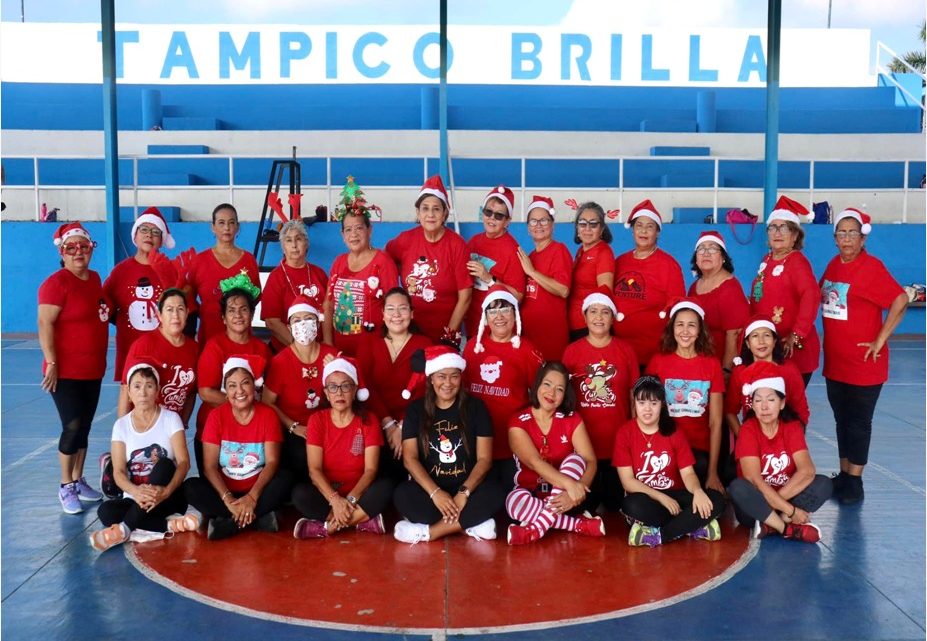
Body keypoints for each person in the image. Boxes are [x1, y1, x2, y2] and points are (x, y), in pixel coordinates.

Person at [820, 208, 907, 504]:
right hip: (836, 362)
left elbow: (900, 299)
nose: (846, 238)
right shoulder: (833, 265)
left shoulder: (871, 267)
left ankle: (855, 480)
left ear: (862, 237)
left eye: (852, 232)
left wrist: (880, 339)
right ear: (834, 239)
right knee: (841, 419)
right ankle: (844, 474)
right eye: (841, 232)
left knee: (858, 421)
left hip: (863, 365)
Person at [393, 346, 505, 543]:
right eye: (441, 376)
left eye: (454, 376)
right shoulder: (415, 410)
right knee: (402, 495)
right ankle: (469, 526)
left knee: (495, 492)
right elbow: (410, 459)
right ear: (431, 379)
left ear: (461, 378)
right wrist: (436, 494)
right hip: (432, 490)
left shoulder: (476, 407)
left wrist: (464, 493)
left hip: (469, 488)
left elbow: (485, 460)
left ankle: (429, 533)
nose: (448, 383)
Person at [38, 222, 109, 513]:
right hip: (64, 372)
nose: (78, 252)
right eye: (72, 248)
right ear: (63, 253)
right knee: (72, 426)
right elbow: (45, 324)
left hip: (92, 369)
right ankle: (66, 485)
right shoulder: (56, 284)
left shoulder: (94, 279)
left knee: (85, 428)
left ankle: (79, 480)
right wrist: (51, 361)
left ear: (91, 250)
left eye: (84, 247)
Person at [183, 355, 292, 540]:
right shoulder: (216, 417)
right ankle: (256, 519)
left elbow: (272, 462)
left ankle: (228, 524)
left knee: (286, 478)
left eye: (245, 383)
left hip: (258, 490)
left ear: (254, 386)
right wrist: (228, 500)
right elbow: (209, 467)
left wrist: (252, 497)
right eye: (232, 385)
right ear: (226, 391)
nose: (239, 391)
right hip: (226, 492)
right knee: (190, 487)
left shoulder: (268, 415)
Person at [90, 361, 193, 552]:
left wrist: (167, 491)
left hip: (167, 497)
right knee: (105, 512)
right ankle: (167, 526)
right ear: (129, 392)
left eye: (149, 386)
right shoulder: (121, 426)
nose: (143, 392)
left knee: (164, 465)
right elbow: (119, 472)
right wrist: (135, 492)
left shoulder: (171, 419)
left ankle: (125, 528)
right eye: (137, 386)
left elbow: (184, 463)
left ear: (158, 390)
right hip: (134, 499)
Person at [614, 376, 725, 547]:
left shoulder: (673, 430)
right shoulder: (625, 433)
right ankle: (690, 525)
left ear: (662, 404)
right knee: (631, 505)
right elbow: (628, 482)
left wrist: (697, 491)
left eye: (654, 403)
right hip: (649, 497)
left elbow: (688, 473)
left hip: (677, 494)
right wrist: (662, 498)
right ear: (634, 403)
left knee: (716, 500)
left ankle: (660, 535)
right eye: (642, 402)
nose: (647, 409)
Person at [728, 361, 832, 543]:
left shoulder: (792, 427)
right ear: (752, 405)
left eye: (771, 400)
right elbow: (754, 480)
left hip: (777, 501)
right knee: (739, 487)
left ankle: (770, 524)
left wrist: (777, 503)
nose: (764, 407)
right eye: (758, 401)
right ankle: (787, 527)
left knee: (824, 484)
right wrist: (790, 511)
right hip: (755, 506)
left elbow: (807, 471)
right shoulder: (748, 430)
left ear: (782, 403)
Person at [505, 362, 605, 545]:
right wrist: (570, 484)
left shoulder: (572, 419)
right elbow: (535, 462)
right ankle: (577, 525)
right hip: (531, 494)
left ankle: (533, 530)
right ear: (537, 385)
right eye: (547, 384)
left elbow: (591, 461)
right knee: (513, 502)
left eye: (559, 389)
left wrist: (577, 490)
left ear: (565, 395)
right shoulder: (518, 421)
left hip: (566, 497)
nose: (551, 393)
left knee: (576, 459)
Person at [292, 357, 393, 538]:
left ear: (354, 391)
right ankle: (360, 520)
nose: (339, 393)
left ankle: (327, 527)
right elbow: (314, 470)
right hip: (328, 493)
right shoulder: (317, 420)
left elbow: (370, 470)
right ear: (326, 393)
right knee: (300, 494)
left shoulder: (369, 420)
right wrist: (335, 500)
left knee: (386, 487)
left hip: (359, 493)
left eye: (345, 386)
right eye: (333, 387)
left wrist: (350, 500)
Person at [561, 287, 638, 512]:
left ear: (613, 318)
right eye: (593, 311)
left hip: (618, 445)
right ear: (584, 317)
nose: (598, 317)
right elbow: (564, 398)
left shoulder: (626, 350)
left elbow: (634, 397)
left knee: (616, 507)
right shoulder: (572, 351)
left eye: (605, 312)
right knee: (585, 507)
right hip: (584, 447)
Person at [462, 286, 543, 490]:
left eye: (505, 309)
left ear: (515, 315)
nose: (499, 316)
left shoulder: (527, 349)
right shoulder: (473, 346)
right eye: (493, 311)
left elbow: (541, 396)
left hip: (512, 445)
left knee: (511, 497)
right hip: (476, 443)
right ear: (485, 318)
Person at [645, 299, 727, 493]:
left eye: (692, 325)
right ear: (672, 328)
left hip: (698, 451)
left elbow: (715, 421)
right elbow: (645, 412)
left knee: (699, 477)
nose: (685, 331)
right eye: (680, 324)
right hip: (664, 447)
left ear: (700, 330)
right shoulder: (658, 362)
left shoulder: (711, 364)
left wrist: (712, 472)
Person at [194, 274, 272, 473]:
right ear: (223, 318)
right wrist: (241, 408)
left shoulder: (262, 350)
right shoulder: (214, 347)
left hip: (252, 434)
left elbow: (267, 393)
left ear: (252, 314)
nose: (238, 315)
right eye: (231, 311)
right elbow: (205, 392)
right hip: (216, 431)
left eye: (244, 309)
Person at [385, 175, 471, 345]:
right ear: (418, 212)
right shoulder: (405, 240)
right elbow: (384, 261)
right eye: (425, 208)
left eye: (436, 209)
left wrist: (449, 337)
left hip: (445, 334)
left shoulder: (457, 245)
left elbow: (465, 296)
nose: (430, 214)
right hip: (409, 334)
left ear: (445, 212)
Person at [358, 287, 432, 481]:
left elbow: (424, 390)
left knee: (408, 457)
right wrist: (388, 423)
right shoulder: (370, 343)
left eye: (403, 308)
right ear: (382, 315)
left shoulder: (424, 344)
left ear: (412, 313)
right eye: (390, 309)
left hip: (413, 419)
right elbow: (366, 386)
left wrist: (402, 426)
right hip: (376, 419)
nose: (396, 315)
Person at [263, 296, 339, 482]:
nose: (303, 325)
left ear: (317, 324)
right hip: (295, 429)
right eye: (297, 321)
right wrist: (292, 426)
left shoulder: (331, 355)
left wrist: (336, 371)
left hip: (329, 426)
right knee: (299, 455)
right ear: (289, 328)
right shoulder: (280, 362)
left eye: (308, 319)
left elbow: (347, 394)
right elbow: (267, 402)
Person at [323, 179, 399, 356]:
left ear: (369, 230)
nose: (354, 234)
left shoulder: (383, 261)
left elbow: (394, 307)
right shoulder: (338, 262)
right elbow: (329, 305)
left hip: (374, 351)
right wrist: (328, 343)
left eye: (359, 228)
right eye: (348, 230)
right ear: (342, 235)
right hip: (340, 351)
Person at [749, 196, 820, 385]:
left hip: (792, 350)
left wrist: (796, 334)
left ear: (795, 235)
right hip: (769, 348)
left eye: (784, 228)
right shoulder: (767, 260)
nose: (777, 233)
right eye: (773, 227)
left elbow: (811, 295)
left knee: (787, 408)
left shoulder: (797, 262)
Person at [102, 207, 178, 381]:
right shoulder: (120, 272)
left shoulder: (171, 270)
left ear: (162, 240)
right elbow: (106, 307)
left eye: (155, 232)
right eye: (144, 229)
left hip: (163, 352)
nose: (149, 235)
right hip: (131, 352)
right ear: (135, 236)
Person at [613, 200, 685, 369]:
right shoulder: (620, 261)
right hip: (620, 352)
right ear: (632, 230)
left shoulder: (669, 265)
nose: (644, 231)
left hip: (655, 355)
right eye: (639, 225)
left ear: (657, 232)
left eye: (650, 226)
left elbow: (677, 310)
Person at [120, 289, 198, 428]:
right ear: (159, 315)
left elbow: (191, 393)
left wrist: (182, 424)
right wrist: (123, 431)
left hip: (172, 429)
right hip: (143, 426)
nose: (175, 315)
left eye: (180, 309)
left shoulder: (194, 349)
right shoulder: (143, 345)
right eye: (169, 309)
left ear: (187, 313)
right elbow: (126, 389)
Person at [186, 203, 260, 345]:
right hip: (209, 336)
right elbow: (188, 297)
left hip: (242, 339)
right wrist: (204, 311)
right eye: (221, 223)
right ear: (212, 227)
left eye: (231, 222)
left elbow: (255, 297)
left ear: (237, 227)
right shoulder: (199, 261)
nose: (227, 228)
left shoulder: (249, 260)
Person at [725, 316, 810, 439]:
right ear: (747, 343)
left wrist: (792, 442)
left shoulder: (789, 370)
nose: (761, 341)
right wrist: (744, 438)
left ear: (775, 341)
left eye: (767, 335)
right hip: (753, 439)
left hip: (784, 440)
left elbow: (801, 411)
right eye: (755, 336)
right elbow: (730, 411)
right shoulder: (740, 372)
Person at [464, 185, 526, 340]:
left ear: (507, 221)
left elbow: (518, 296)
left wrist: (489, 279)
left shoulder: (513, 250)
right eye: (488, 212)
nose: (492, 218)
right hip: (472, 323)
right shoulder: (473, 242)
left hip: (496, 329)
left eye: (498, 216)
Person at [517, 195, 572, 361]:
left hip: (552, 338)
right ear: (528, 227)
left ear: (552, 225)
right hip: (530, 337)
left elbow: (563, 290)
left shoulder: (559, 250)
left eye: (544, 220)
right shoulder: (531, 256)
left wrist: (532, 272)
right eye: (533, 221)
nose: (538, 225)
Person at [260, 219, 328, 353]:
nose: (294, 245)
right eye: (288, 240)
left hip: (319, 350)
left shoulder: (319, 273)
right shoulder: (276, 277)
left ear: (306, 243)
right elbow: (272, 322)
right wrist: (300, 349)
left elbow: (328, 311)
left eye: (298, 239)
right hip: (288, 351)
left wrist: (324, 344)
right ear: (283, 247)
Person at [686, 231, 750, 370]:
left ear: (723, 257)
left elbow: (733, 335)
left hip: (722, 363)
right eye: (701, 249)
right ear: (696, 258)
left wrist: (726, 370)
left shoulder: (730, 288)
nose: (706, 253)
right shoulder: (693, 288)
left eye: (713, 248)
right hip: (700, 363)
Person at [566, 202, 615, 341]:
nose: (587, 228)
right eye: (582, 223)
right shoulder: (581, 251)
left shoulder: (603, 252)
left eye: (593, 224)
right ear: (577, 227)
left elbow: (605, 293)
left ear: (602, 229)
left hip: (589, 328)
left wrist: (595, 329)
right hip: (574, 325)